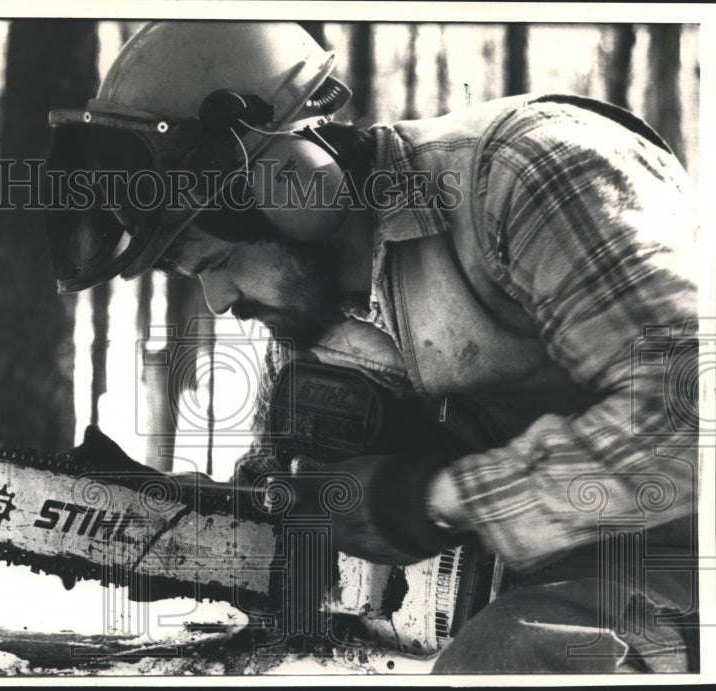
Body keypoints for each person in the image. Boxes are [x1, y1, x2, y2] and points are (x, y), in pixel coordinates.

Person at [43, 22, 700, 673]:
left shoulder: (529, 178)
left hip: (678, 565)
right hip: (524, 595)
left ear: (287, 181)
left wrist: (435, 499)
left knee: (511, 658)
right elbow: (296, 513)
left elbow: (688, 423)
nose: (218, 300)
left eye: (216, 261)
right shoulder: (306, 322)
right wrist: (173, 527)